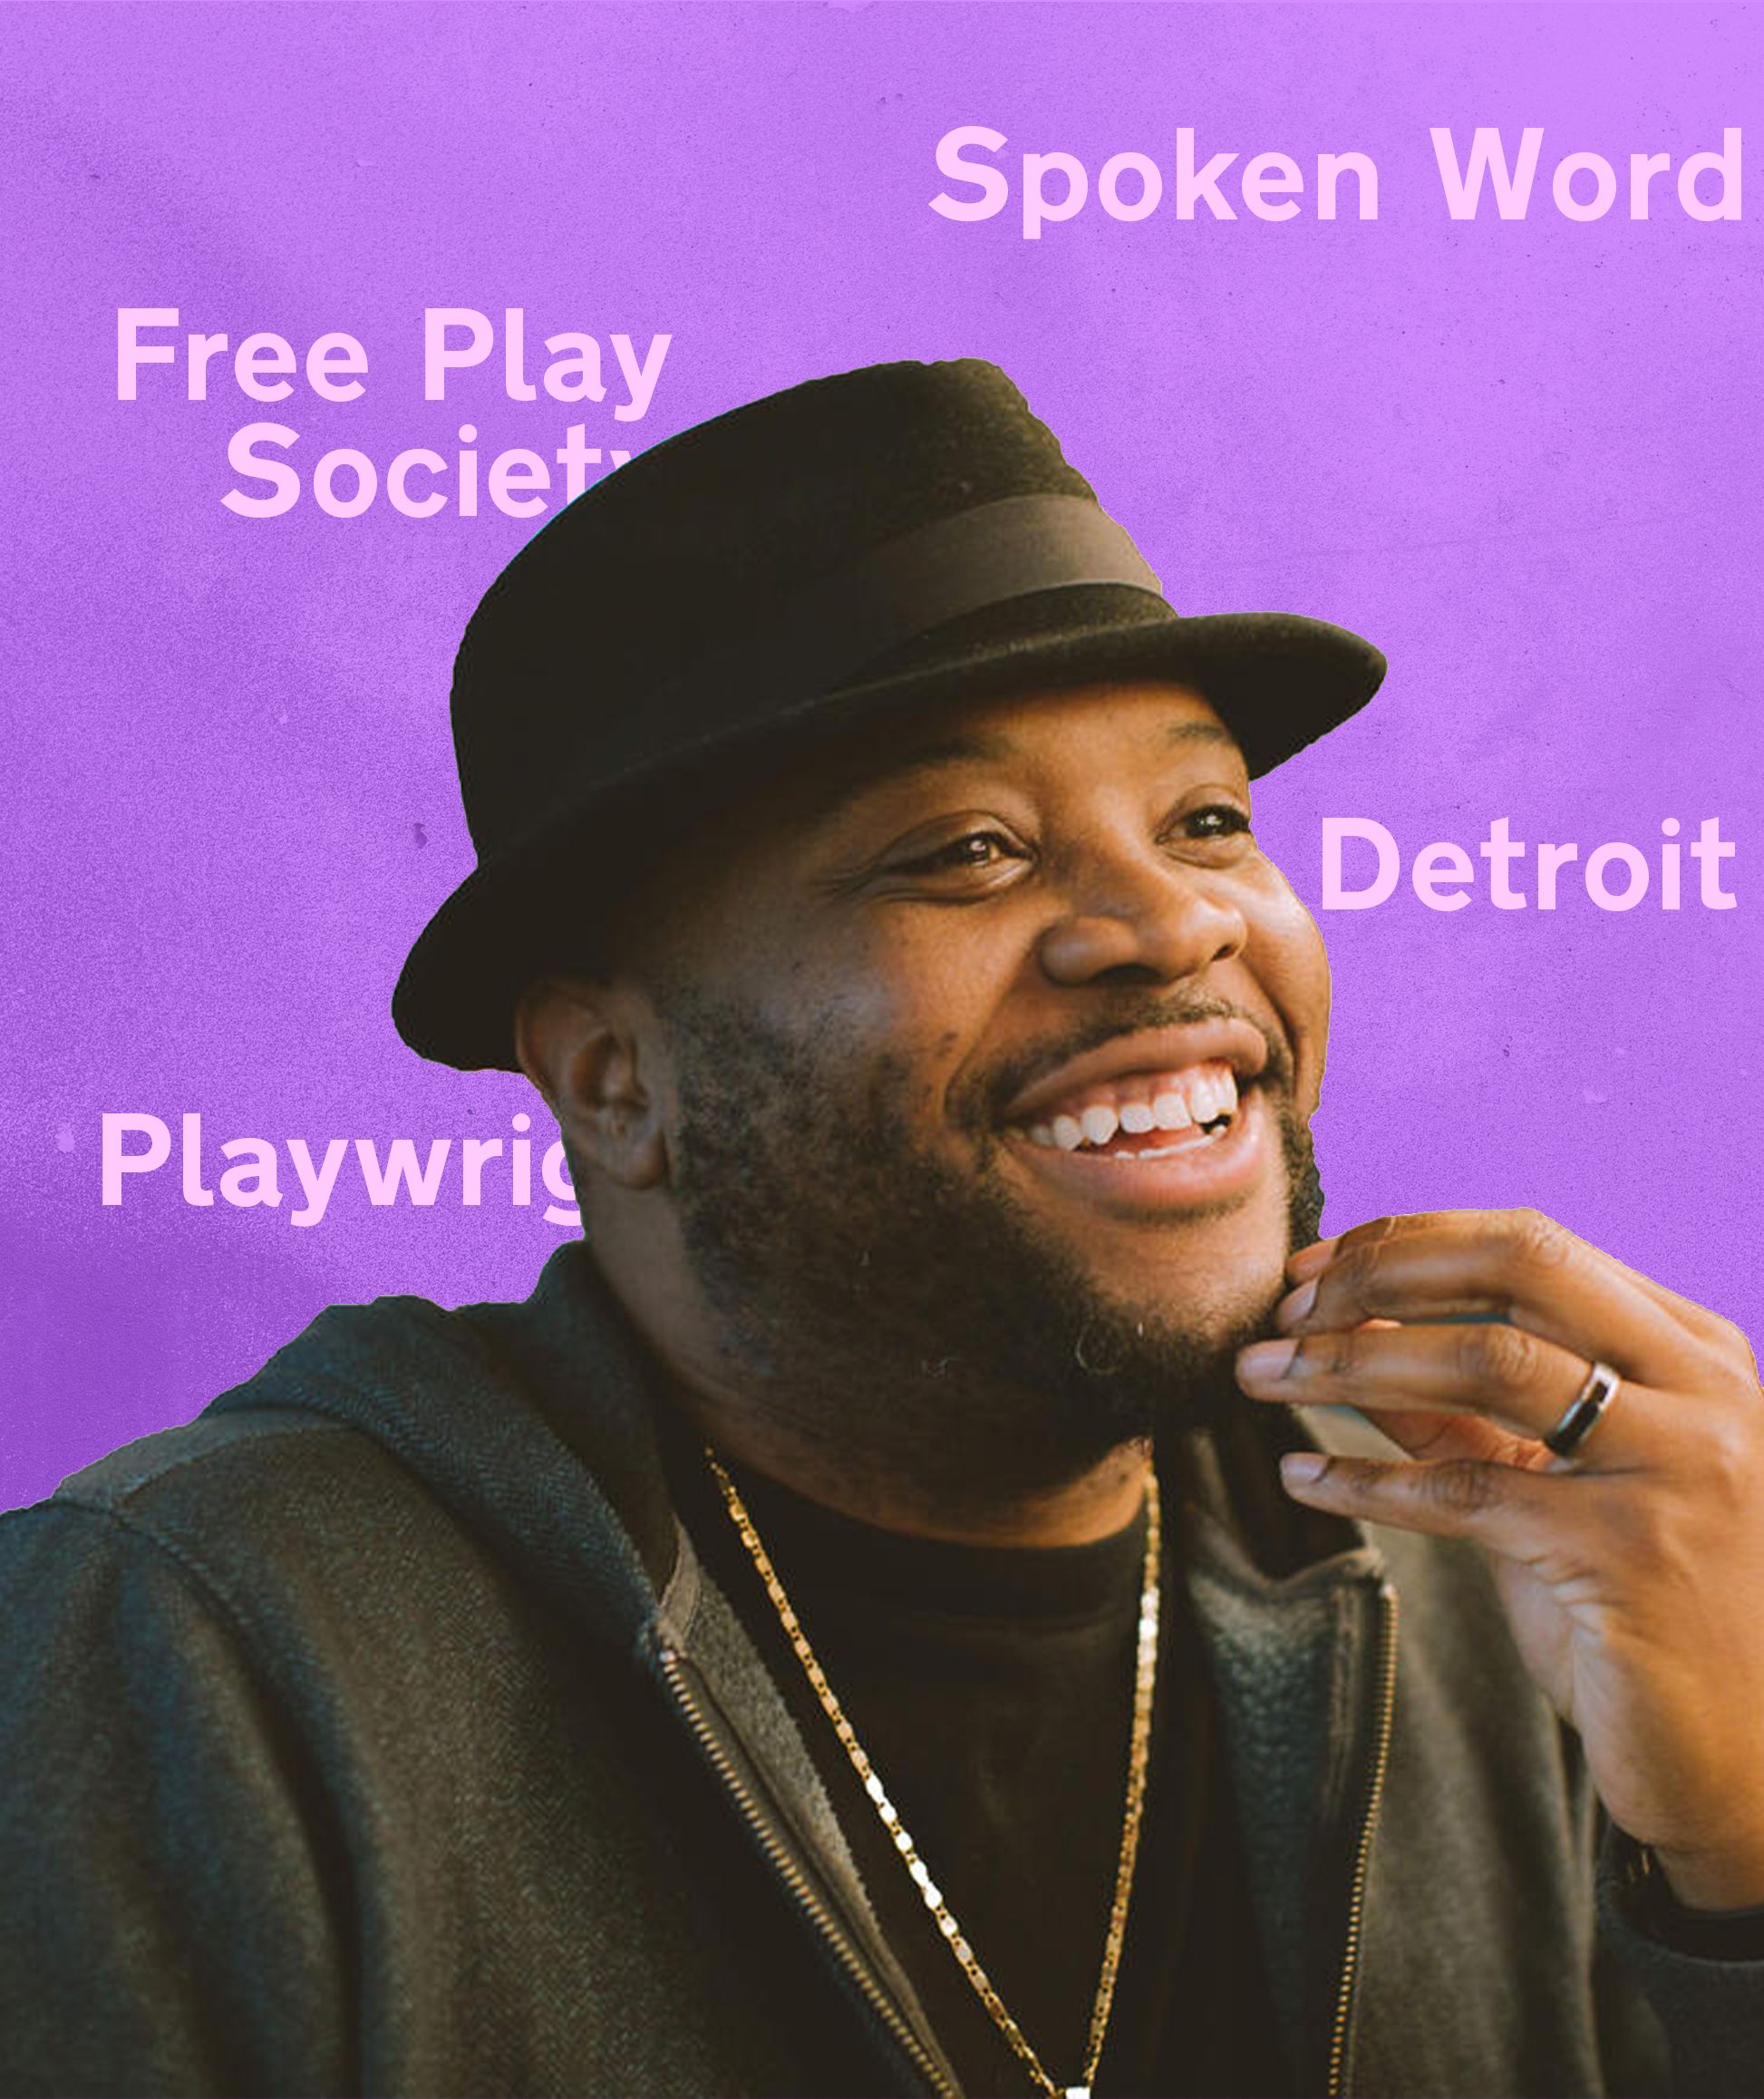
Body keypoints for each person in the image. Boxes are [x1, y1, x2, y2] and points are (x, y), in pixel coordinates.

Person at [1, 358, 1761, 2099]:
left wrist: (1736, 1861)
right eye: (969, 849)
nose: (1165, 922)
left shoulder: (1489, 1566)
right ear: (615, 1080)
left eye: (1207, 817)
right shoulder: (190, 1648)